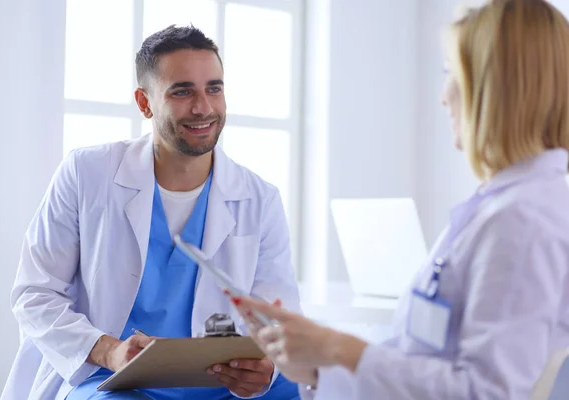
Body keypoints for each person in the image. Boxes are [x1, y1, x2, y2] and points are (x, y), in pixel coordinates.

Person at [234, 1, 569, 399]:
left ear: (493, 88)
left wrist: (341, 349)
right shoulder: (502, 207)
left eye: (450, 73)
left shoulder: (523, 220)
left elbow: (487, 393)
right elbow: (425, 363)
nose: (444, 96)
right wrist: (317, 368)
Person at [1, 25, 301, 400]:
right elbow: (35, 294)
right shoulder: (87, 174)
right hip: (112, 376)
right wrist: (109, 350)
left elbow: (281, 314)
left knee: (321, 388)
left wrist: (267, 369)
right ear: (145, 103)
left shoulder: (259, 197)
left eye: (214, 88)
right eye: (182, 91)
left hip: (221, 383)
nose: (204, 107)